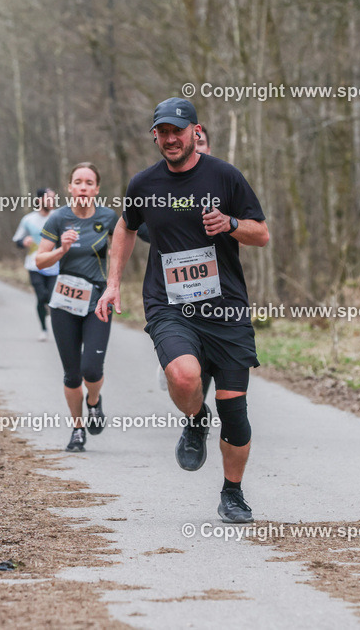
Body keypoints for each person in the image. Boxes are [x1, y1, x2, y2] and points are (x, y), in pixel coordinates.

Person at [96, 98, 269, 524]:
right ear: (155, 135)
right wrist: (113, 283)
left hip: (225, 308)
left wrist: (230, 224)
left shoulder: (225, 176)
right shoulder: (144, 184)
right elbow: (125, 226)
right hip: (170, 304)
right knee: (184, 375)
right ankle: (195, 418)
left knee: (236, 414)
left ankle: (232, 493)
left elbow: (261, 233)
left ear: (195, 131)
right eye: (163, 132)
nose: (171, 139)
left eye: (179, 130)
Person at [37, 164, 119, 452]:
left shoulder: (109, 217)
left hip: (97, 301)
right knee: (72, 374)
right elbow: (40, 261)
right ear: (70, 188)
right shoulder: (59, 218)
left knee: (92, 369)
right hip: (65, 303)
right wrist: (62, 249)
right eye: (78, 182)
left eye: (89, 182)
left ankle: (94, 401)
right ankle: (77, 429)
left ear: (96, 189)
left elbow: (128, 241)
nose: (83, 187)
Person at [140, 125, 213, 399]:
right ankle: (173, 367)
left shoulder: (223, 180)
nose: (199, 146)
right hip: (172, 286)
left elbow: (244, 227)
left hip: (214, 283)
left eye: (203, 142)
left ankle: (195, 412)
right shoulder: (159, 182)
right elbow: (139, 226)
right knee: (183, 345)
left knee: (206, 350)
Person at [13, 188, 60, 341]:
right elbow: (17, 240)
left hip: (55, 265)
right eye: (49, 199)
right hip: (34, 265)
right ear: (39, 200)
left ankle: (52, 320)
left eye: (54, 199)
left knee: (52, 297)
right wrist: (23, 241)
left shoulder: (59, 217)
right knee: (41, 297)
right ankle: (44, 329)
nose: (52, 202)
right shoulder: (28, 219)